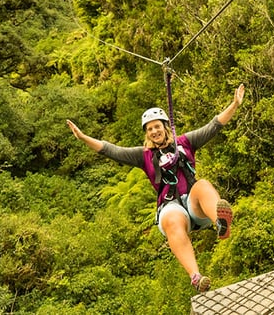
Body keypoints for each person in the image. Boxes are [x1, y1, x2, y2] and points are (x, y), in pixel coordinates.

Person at [67, 83, 245, 293]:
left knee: (203, 185)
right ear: (147, 133)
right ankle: (196, 277)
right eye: (150, 129)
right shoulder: (143, 155)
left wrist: (234, 105)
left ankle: (221, 224)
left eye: (157, 126)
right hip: (171, 206)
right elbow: (111, 150)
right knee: (171, 220)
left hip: (194, 202)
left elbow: (213, 126)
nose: (154, 131)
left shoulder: (185, 142)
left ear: (165, 126)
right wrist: (83, 137)